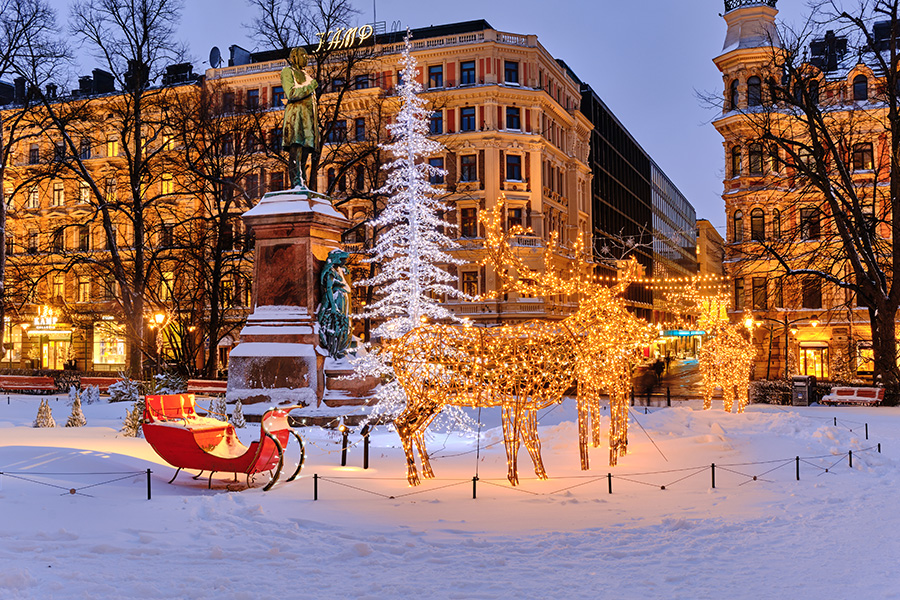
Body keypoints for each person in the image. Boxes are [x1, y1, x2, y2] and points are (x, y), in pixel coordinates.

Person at [281, 47, 319, 188]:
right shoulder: (288, 71)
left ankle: (303, 181)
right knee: (295, 151)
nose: (306, 58)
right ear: (295, 57)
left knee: (305, 154)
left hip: (308, 120)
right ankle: (296, 182)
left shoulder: (307, 76)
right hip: (296, 117)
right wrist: (310, 87)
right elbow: (291, 93)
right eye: (303, 55)